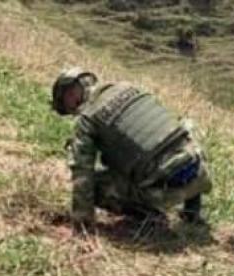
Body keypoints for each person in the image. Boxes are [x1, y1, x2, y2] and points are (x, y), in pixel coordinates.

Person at [51, 68, 212, 235]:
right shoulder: (130, 88)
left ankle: (149, 215)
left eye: (66, 106)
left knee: (96, 186)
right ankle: (192, 213)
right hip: (199, 174)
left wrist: (81, 225)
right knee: (181, 140)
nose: (71, 112)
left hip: (162, 190)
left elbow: (82, 175)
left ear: (70, 95)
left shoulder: (87, 119)